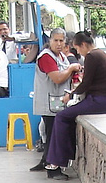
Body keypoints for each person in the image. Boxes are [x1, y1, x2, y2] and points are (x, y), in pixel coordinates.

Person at [44, 31, 106, 180]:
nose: (79, 53)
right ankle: (64, 157)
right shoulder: (100, 54)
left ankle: (57, 161)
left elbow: (86, 83)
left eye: (78, 49)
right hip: (104, 100)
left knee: (62, 117)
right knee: (67, 116)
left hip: (99, 101)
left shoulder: (91, 56)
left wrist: (70, 95)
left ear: (83, 45)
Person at [29, 28, 81, 172]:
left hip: (57, 102)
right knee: (53, 135)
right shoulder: (46, 57)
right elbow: (57, 78)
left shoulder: (62, 57)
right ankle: (52, 169)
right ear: (50, 41)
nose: (58, 44)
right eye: (55, 40)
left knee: (51, 134)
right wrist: (71, 69)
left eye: (61, 41)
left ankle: (46, 161)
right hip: (49, 103)